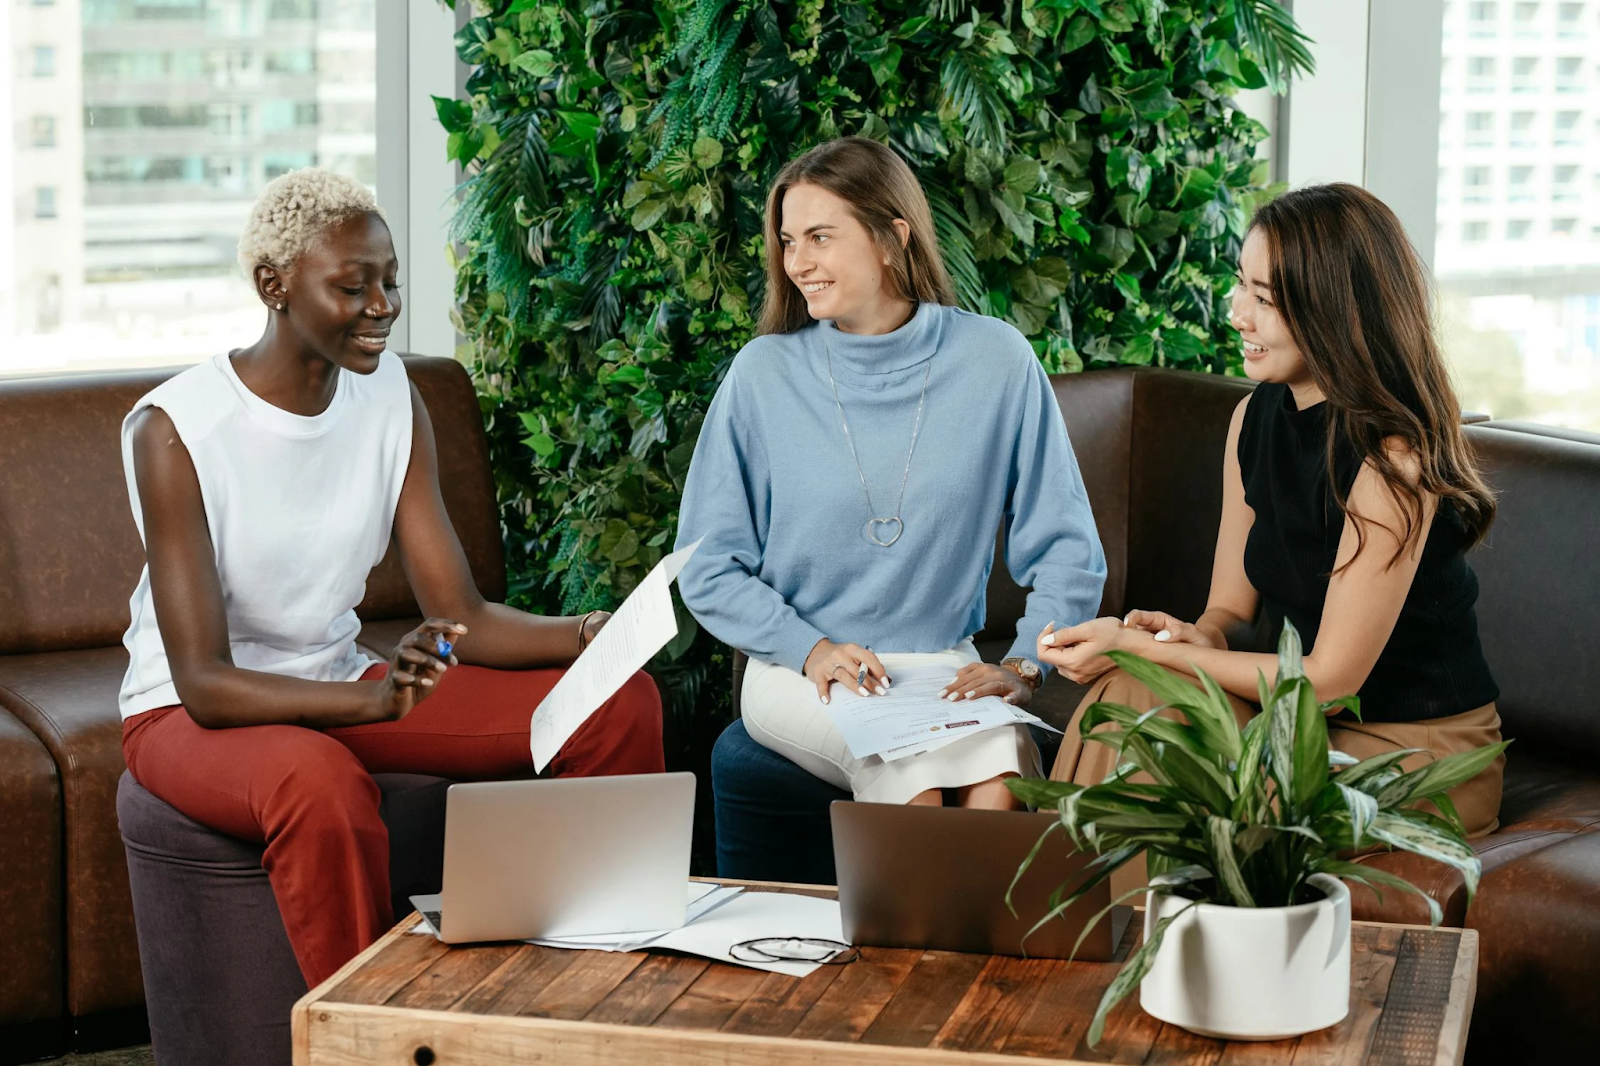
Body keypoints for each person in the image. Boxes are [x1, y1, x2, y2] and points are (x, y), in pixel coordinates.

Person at [117, 167, 664, 989]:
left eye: (391, 281)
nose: (383, 306)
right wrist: (372, 700)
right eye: (353, 285)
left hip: (341, 681)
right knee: (320, 784)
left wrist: (594, 636)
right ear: (275, 285)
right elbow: (203, 683)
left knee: (615, 703)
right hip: (191, 714)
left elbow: (459, 612)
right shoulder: (174, 429)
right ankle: (372, 1029)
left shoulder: (390, 396)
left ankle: (595, 985)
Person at [1040, 183, 1505, 836]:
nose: (1237, 315)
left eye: (1265, 299)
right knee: (1128, 698)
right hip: (1301, 725)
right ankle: (1071, 927)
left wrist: (1146, 653)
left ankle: (1121, 931)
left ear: (1335, 311)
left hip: (1411, 748)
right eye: (1241, 287)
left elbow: (1328, 681)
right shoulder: (1252, 419)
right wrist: (1175, 638)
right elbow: (1229, 614)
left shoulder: (1390, 459)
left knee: (1189, 759)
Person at [675, 137, 1106, 809]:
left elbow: (1068, 549)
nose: (799, 263)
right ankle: (927, 918)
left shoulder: (997, 361)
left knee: (1000, 779)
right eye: (789, 241)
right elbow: (706, 564)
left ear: (890, 236)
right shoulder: (763, 374)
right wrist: (808, 646)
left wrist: (1024, 664)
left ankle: (950, 921)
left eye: (820, 236)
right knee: (920, 786)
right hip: (802, 670)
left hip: (940, 661)